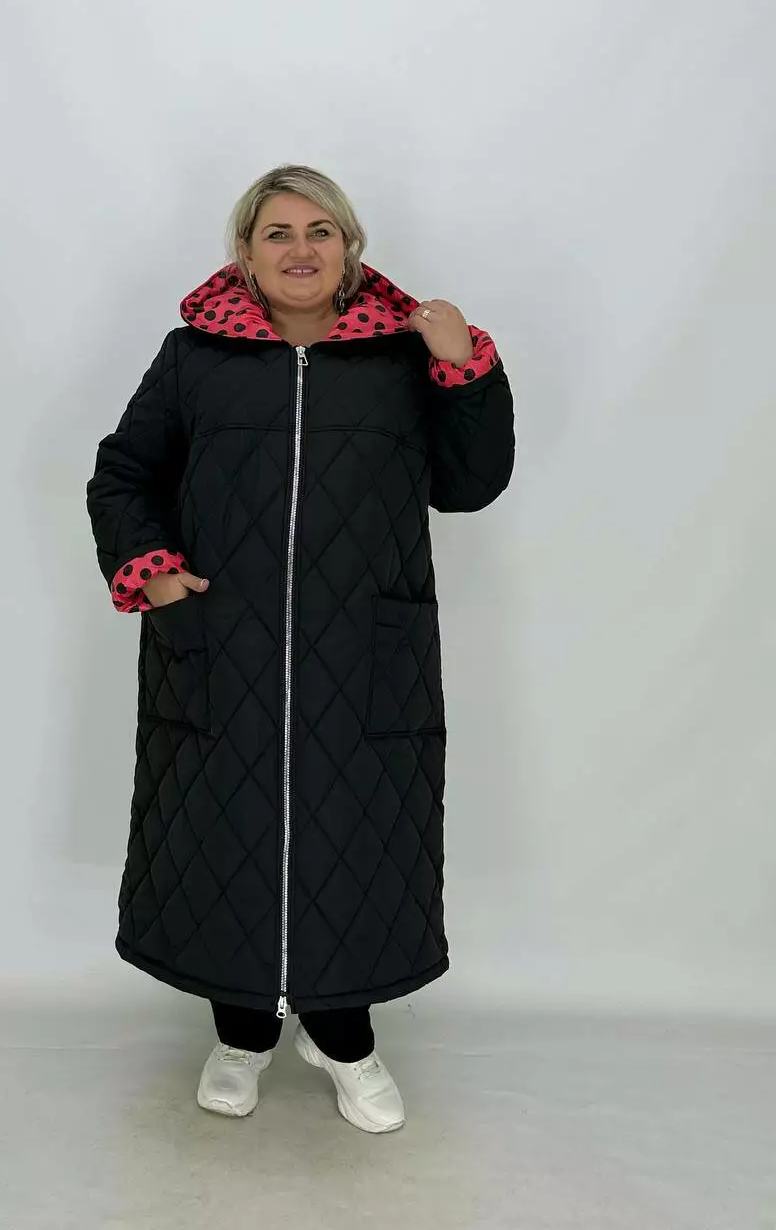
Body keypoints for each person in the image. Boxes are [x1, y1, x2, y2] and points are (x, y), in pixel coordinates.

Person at [86, 164, 515, 1133]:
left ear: (349, 247)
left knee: (356, 838)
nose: (301, 249)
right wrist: (155, 573)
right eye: (277, 232)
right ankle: (241, 1034)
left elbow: (470, 484)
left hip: (365, 653)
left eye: (321, 230)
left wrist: (465, 369)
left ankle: (343, 1036)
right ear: (245, 253)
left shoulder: (401, 357)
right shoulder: (194, 357)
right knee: (223, 831)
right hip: (221, 646)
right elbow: (123, 474)